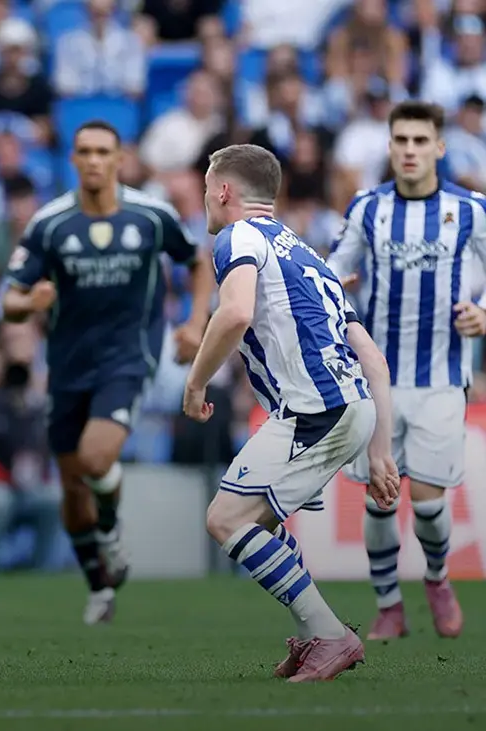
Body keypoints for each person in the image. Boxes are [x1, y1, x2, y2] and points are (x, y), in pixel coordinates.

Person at [185, 143, 399, 683]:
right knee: (252, 518)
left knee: (224, 520)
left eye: (208, 188)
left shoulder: (238, 237)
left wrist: (195, 383)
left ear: (224, 191)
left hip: (315, 409)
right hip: (347, 407)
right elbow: (373, 359)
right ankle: (315, 633)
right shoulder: (309, 256)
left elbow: (233, 313)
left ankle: (330, 636)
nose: (206, 200)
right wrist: (379, 453)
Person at [1, 120, 213, 625]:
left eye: (104, 152)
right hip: (67, 366)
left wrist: (194, 322)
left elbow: (196, 262)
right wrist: (30, 300)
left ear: (120, 159)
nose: (94, 160)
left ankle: (112, 532)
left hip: (129, 357)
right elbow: (9, 300)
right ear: (73, 160)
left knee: (97, 459)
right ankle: (99, 583)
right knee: (73, 489)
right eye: (85, 152)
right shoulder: (50, 224)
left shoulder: (151, 215)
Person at [326, 100, 484, 641]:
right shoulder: (368, 208)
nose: (410, 150)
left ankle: (437, 579)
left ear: (439, 147)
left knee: (430, 503)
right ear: (389, 147)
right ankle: (389, 605)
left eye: (421, 141)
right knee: (379, 497)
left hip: (441, 376)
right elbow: (333, 271)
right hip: (378, 381)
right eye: (402, 141)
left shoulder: (470, 211)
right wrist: (337, 287)